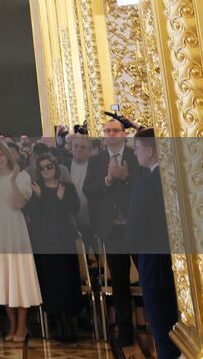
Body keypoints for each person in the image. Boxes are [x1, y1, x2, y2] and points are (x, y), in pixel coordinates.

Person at [84, 117, 144, 345]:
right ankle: (125, 332)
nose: (110, 134)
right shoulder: (97, 160)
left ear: (123, 134)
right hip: (112, 230)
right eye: (107, 130)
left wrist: (126, 177)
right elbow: (88, 190)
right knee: (119, 282)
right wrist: (108, 180)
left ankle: (157, 323)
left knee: (147, 276)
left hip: (136, 226)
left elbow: (147, 183)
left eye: (115, 131)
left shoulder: (134, 155)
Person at [0, 141, 41, 341]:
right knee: (3, 278)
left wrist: (14, 181)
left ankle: (22, 326)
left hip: (14, 227)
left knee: (18, 276)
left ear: (7, 155)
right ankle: (12, 325)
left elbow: (18, 204)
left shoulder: (21, 176)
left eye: (0, 155)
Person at [127, 128, 179, 358]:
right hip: (178, 264)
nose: (135, 153)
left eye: (137, 149)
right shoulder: (177, 176)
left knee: (163, 332)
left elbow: (136, 230)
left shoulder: (145, 184)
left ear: (150, 151)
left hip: (155, 264)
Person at [25, 152, 82, 342]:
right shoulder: (36, 188)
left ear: (55, 167)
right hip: (44, 242)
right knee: (51, 284)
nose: (46, 170)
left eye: (49, 166)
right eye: (42, 168)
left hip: (64, 240)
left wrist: (60, 199)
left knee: (67, 283)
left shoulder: (67, 187)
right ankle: (58, 325)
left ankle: (69, 326)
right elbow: (32, 214)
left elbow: (74, 209)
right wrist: (41, 197)